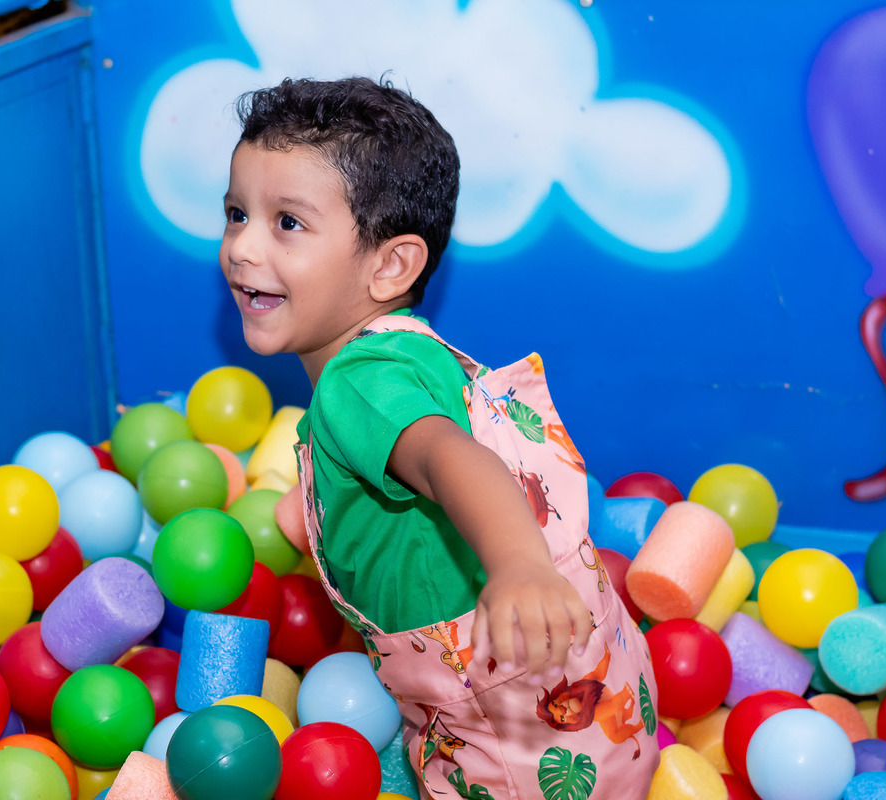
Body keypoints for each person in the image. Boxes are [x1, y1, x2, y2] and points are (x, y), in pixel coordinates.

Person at [220, 76, 658, 798]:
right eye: (237, 213)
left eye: (286, 223)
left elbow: (451, 457)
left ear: (391, 264)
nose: (241, 247)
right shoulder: (409, 348)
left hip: (515, 740)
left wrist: (516, 565)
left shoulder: (354, 384)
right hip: (608, 683)